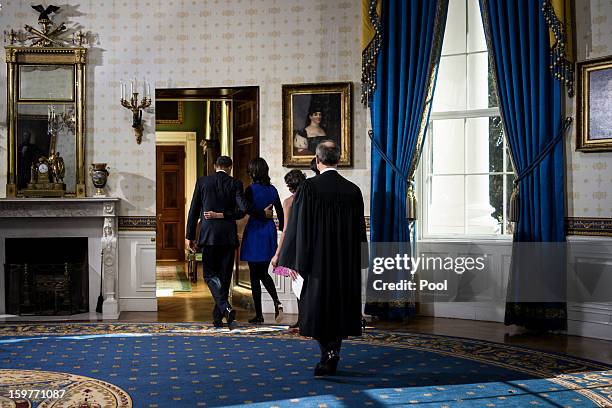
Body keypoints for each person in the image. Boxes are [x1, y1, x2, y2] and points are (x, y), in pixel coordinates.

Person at [278, 140, 367, 376]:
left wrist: (294, 261)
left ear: (317, 161)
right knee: (339, 307)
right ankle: (332, 351)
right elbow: (360, 230)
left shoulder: (308, 188)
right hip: (345, 262)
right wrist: (361, 260)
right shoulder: (353, 190)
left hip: (316, 262)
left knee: (316, 308)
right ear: (337, 160)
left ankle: (327, 353)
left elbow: (298, 227)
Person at [186, 156, 270, 328]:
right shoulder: (235, 184)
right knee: (225, 277)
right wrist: (262, 213)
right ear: (230, 168)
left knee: (209, 275)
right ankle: (220, 315)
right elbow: (244, 209)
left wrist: (190, 236)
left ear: (215, 166)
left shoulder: (203, 182)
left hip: (209, 236)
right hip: (228, 237)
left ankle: (223, 309)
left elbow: (194, 210)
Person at [239, 158, 285, 324]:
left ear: (253, 172)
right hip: (268, 231)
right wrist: (284, 234)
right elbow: (280, 213)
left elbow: (243, 210)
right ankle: (276, 301)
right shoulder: (273, 189)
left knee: (255, 275)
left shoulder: (250, 190)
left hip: (255, 231)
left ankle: (259, 315)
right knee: (263, 272)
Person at [271, 169, 307, 329]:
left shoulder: (288, 202)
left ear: (290, 186)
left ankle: (302, 320)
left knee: (298, 283)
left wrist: (277, 254)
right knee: (310, 283)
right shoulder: (312, 199)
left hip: (295, 247)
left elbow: (286, 230)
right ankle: (309, 319)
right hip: (312, 245)